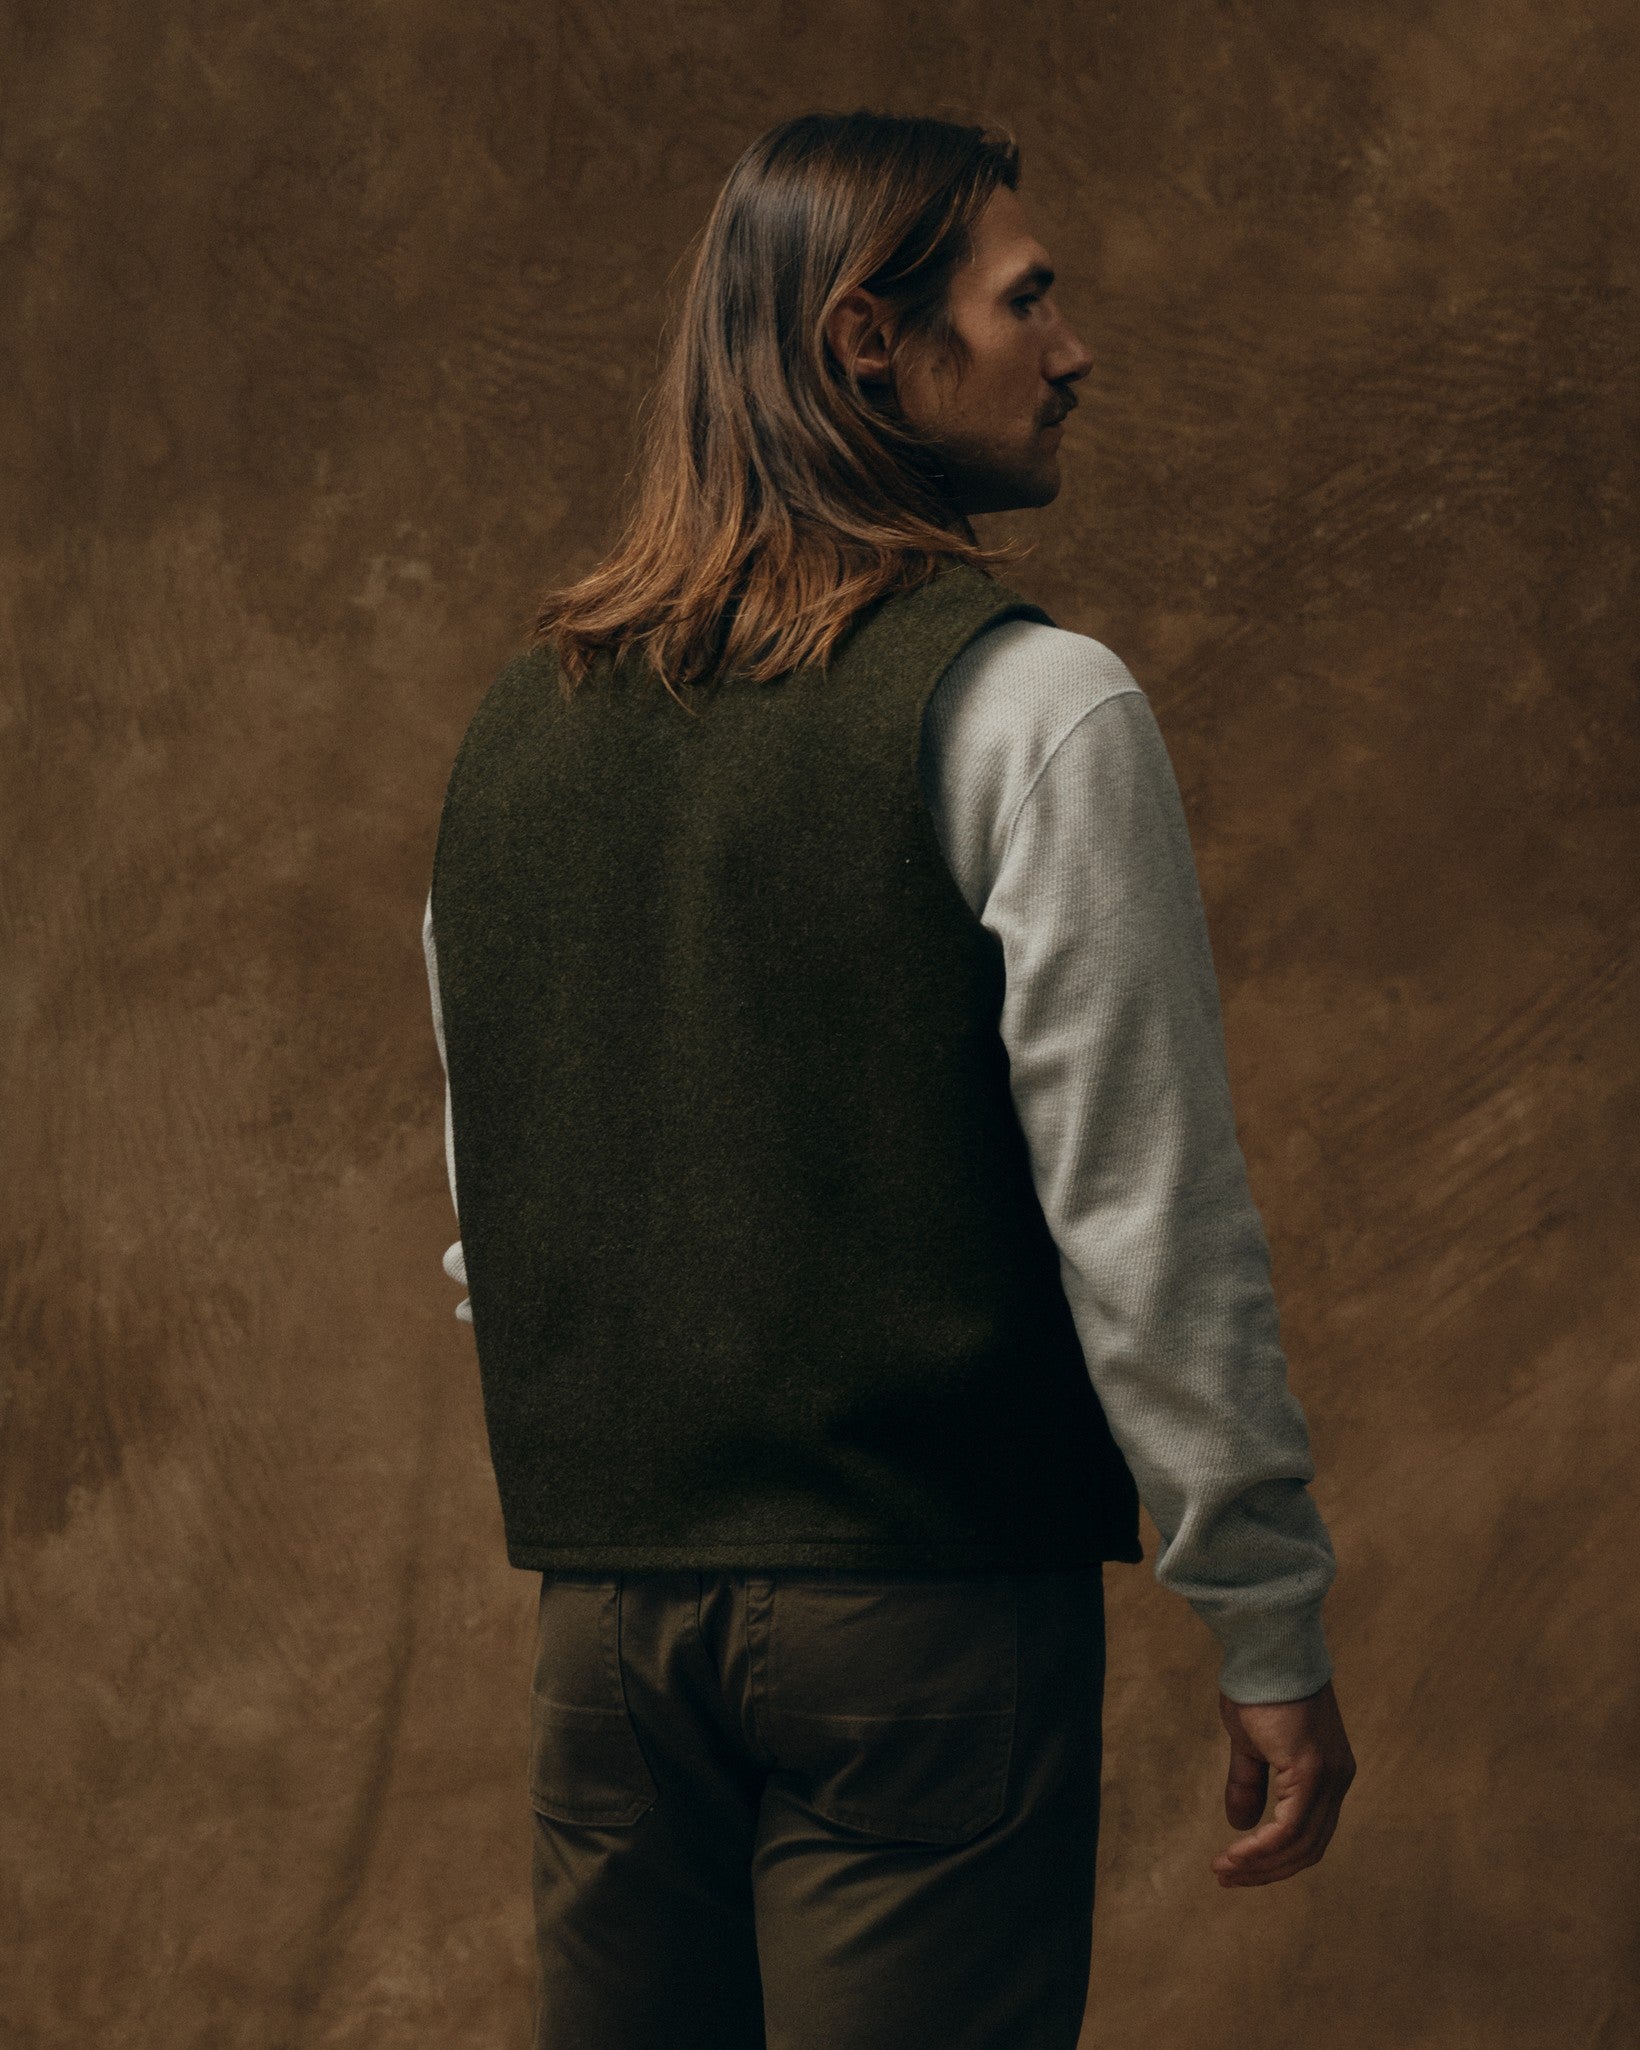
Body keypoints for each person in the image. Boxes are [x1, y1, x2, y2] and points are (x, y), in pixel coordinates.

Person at [423, 109, 1355, 2050]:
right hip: (924, 1621)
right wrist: (1263, 1612)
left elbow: (495, 1219)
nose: (1074, 348)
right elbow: (1147, 1221)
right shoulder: (1033, 704)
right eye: (1027, 302)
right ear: (867, 340)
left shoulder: (517, 730)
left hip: (606, 1640)